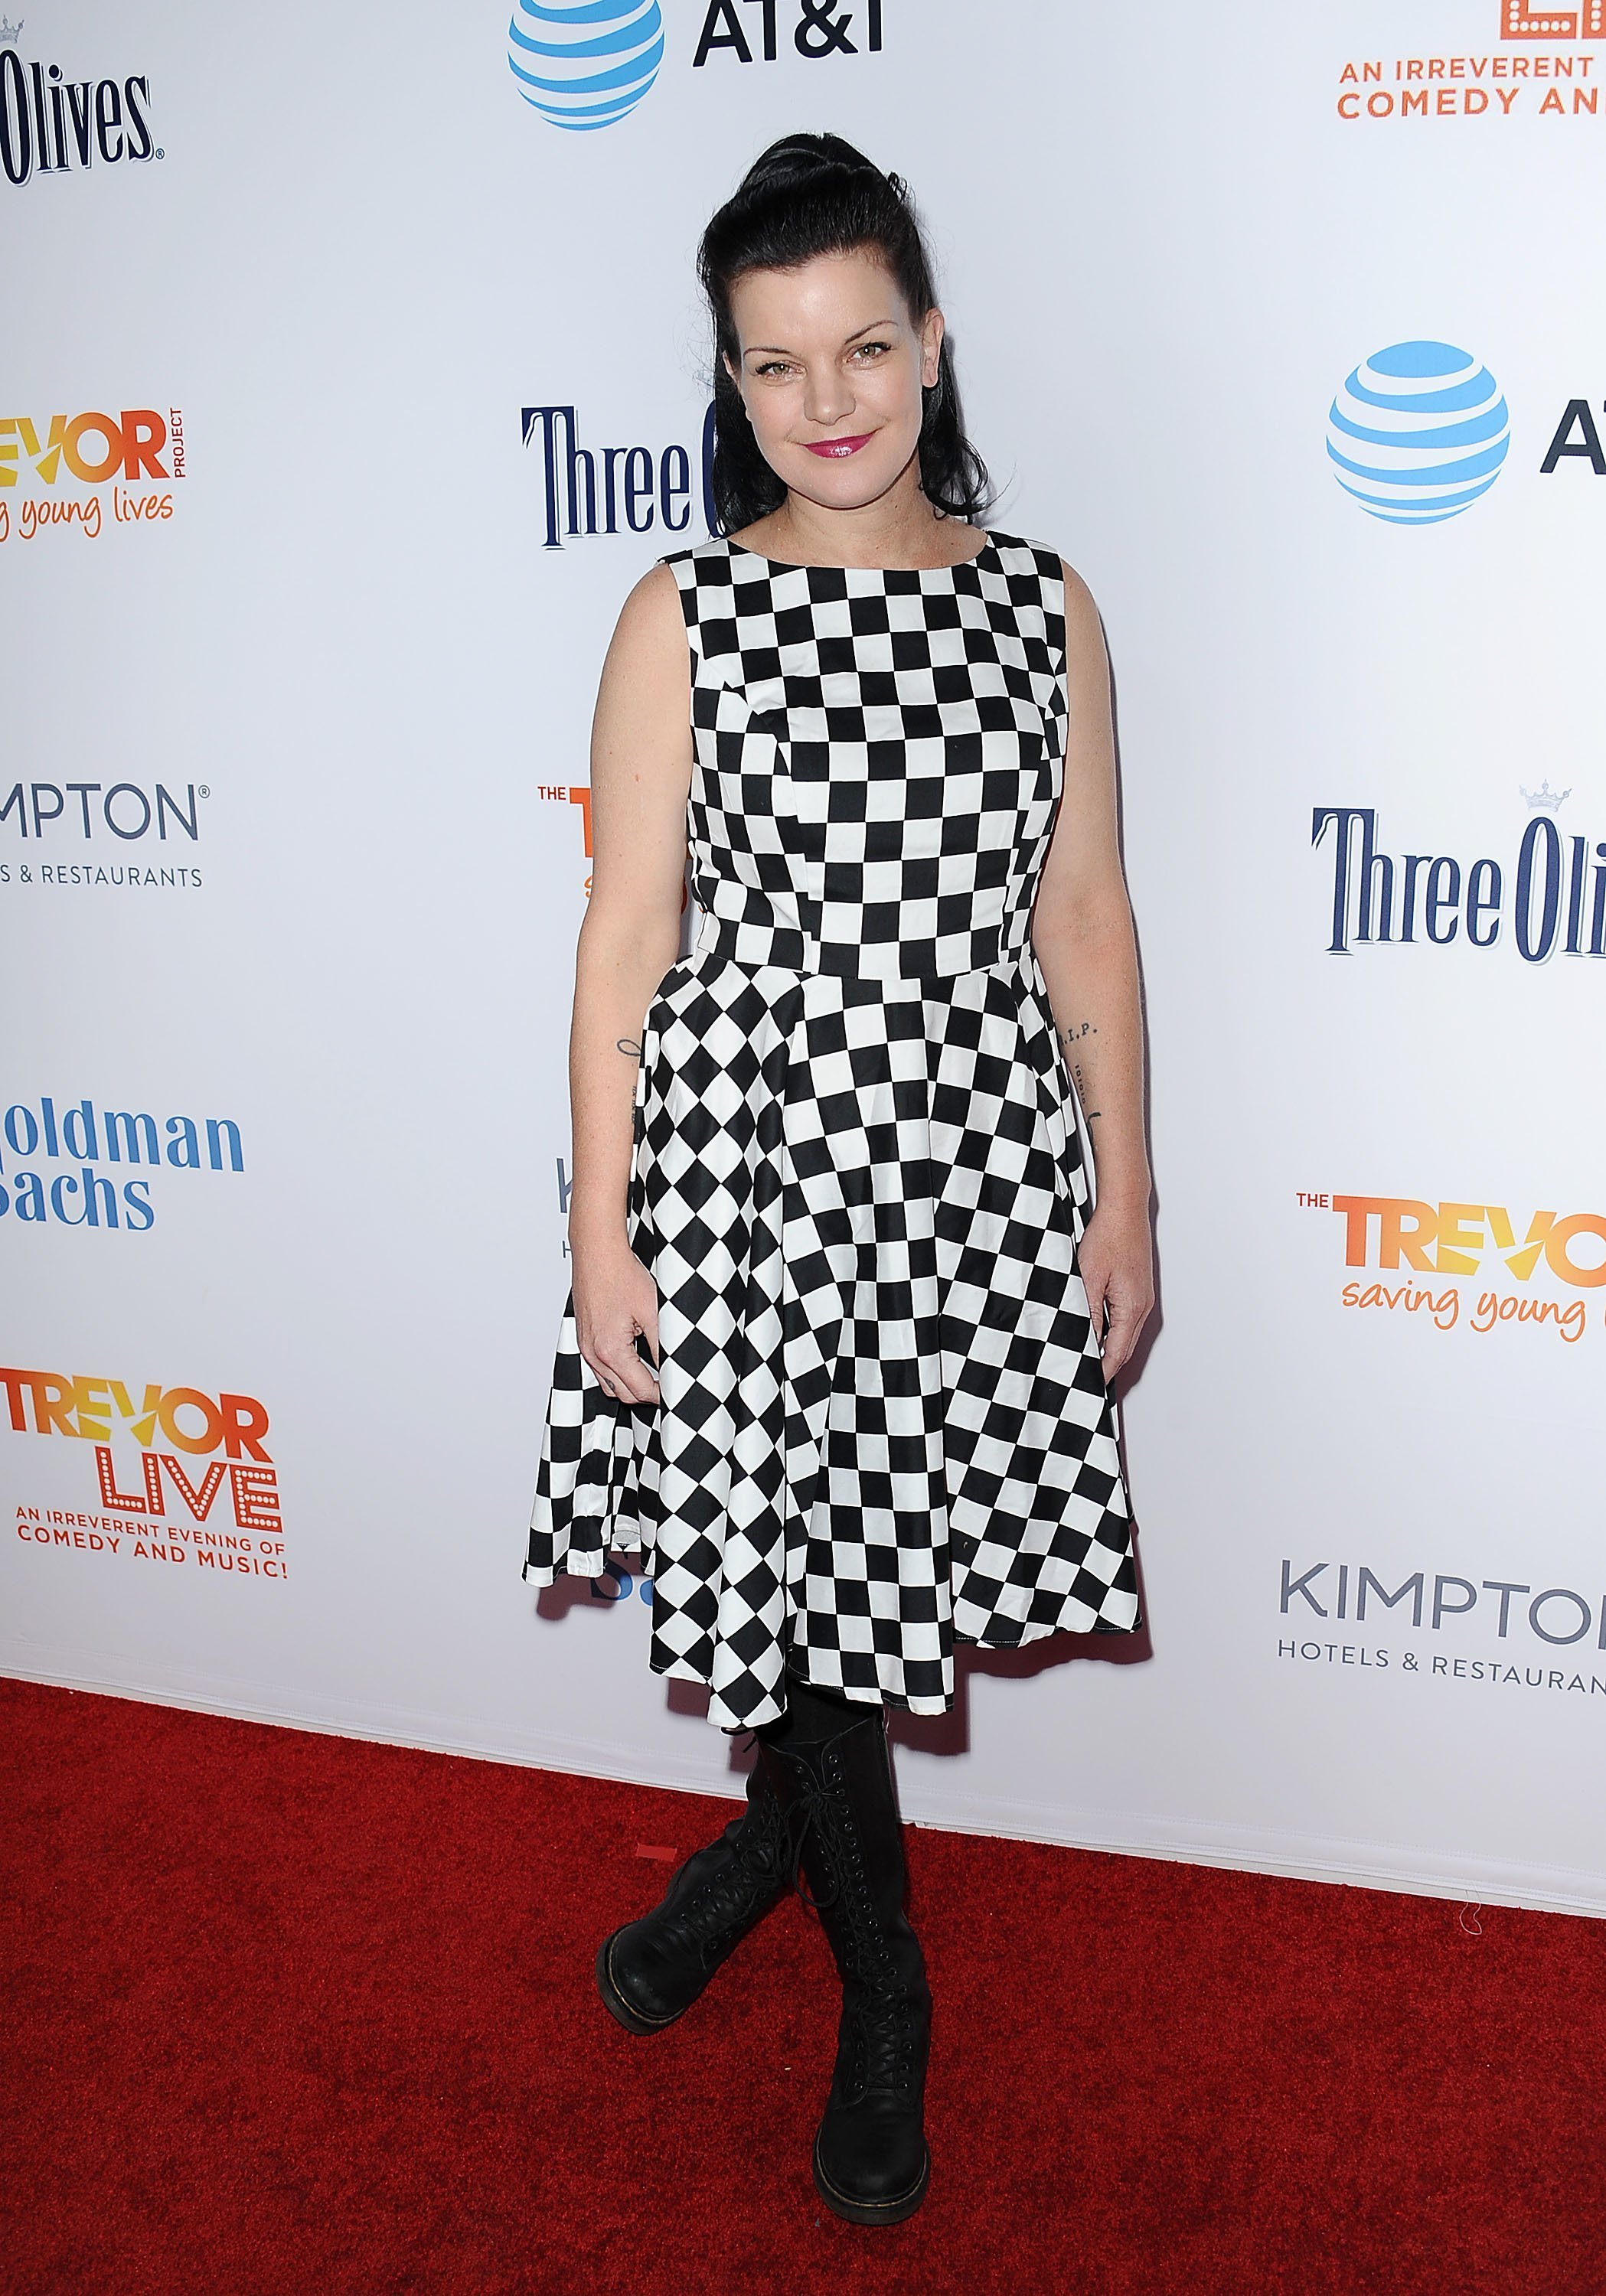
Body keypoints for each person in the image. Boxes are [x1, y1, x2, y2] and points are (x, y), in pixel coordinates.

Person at [526, 131, 1153, 2228]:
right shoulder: (680, 613)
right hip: (741, 1165)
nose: (828, 400)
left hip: (963, 1164)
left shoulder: (1041, 607)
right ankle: (887, 1997)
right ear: (729, 377)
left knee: (863, 1576)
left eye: (862, 344)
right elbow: (623, 939)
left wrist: (1126, 1195)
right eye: (775, 364)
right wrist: (598, 1224)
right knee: (791, 1591)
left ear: (931, 339)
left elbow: (1081, 918)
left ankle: (743, 1866)